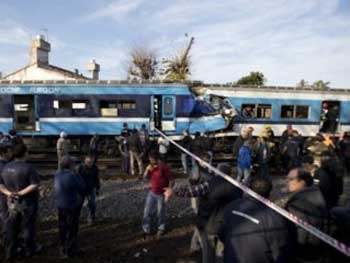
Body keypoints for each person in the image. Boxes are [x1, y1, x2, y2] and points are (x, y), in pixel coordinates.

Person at [164, 163, 243, 263]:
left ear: (217, 172)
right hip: (226, 227)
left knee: (208, 253)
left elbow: (192, 191)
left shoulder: (211, 184)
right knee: (221, 253)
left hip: (209, 225)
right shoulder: (238, 188)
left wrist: (174, 191)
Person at [218, 177, 294, 263]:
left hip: (232, 257)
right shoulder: (274, 218)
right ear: (270, 193)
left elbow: (221, 233)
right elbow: (279, 251)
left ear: (249, 190)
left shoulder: (232, 206)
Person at [0, 144, 41, 261]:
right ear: (25, 153)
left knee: (11, 226)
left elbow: (0, 184)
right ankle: (29, 249)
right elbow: (34, 184)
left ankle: (11, 251)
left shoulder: (5, 167)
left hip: (11, 202)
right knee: (28, 225)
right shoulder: (29, 168)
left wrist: (9, 193)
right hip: (27, 202)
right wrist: (21, 193)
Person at [284, 168, 328, 263]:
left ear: (302, 182)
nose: (287, 182)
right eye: (287, 178)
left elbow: (300, 233)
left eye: (291, 179)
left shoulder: (298, 204)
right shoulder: (315, 191)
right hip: (317, 248)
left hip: (303, 254)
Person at [54, 155, 86, 258]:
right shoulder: (72, 176)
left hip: (60, 205)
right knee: (72, 227)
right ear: (71, 165)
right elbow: (82, 188)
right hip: (71, 205)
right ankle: (71, 250)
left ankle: (63, 247)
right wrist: (77, 174)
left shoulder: (57, 174)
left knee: (62, 226)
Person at [142, 151, 174, 236]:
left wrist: (169, 191)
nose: (150, 161)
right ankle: (146, 229)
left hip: (161, 194)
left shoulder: (164, 167)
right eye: (150, 159)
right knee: (147, 211)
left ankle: (161, 228)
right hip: (152, 192)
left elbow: (171, 180)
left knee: (161, 212)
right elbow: (145, 178)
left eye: (152, 159)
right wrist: (146, 170)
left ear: (156, 159)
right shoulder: (151, 167)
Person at [77, 156, 100, 224]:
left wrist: (97, 188)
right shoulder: (80, 168)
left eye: (91, 162)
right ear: (85, 162)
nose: (90, 164)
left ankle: (91, 218)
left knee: (92, 204)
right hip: (81, 189)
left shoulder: (95, 168)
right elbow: (76, 178)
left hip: (90, 189)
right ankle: (76, 217)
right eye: (88, 162)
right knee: (78, 204)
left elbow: (96, 179)